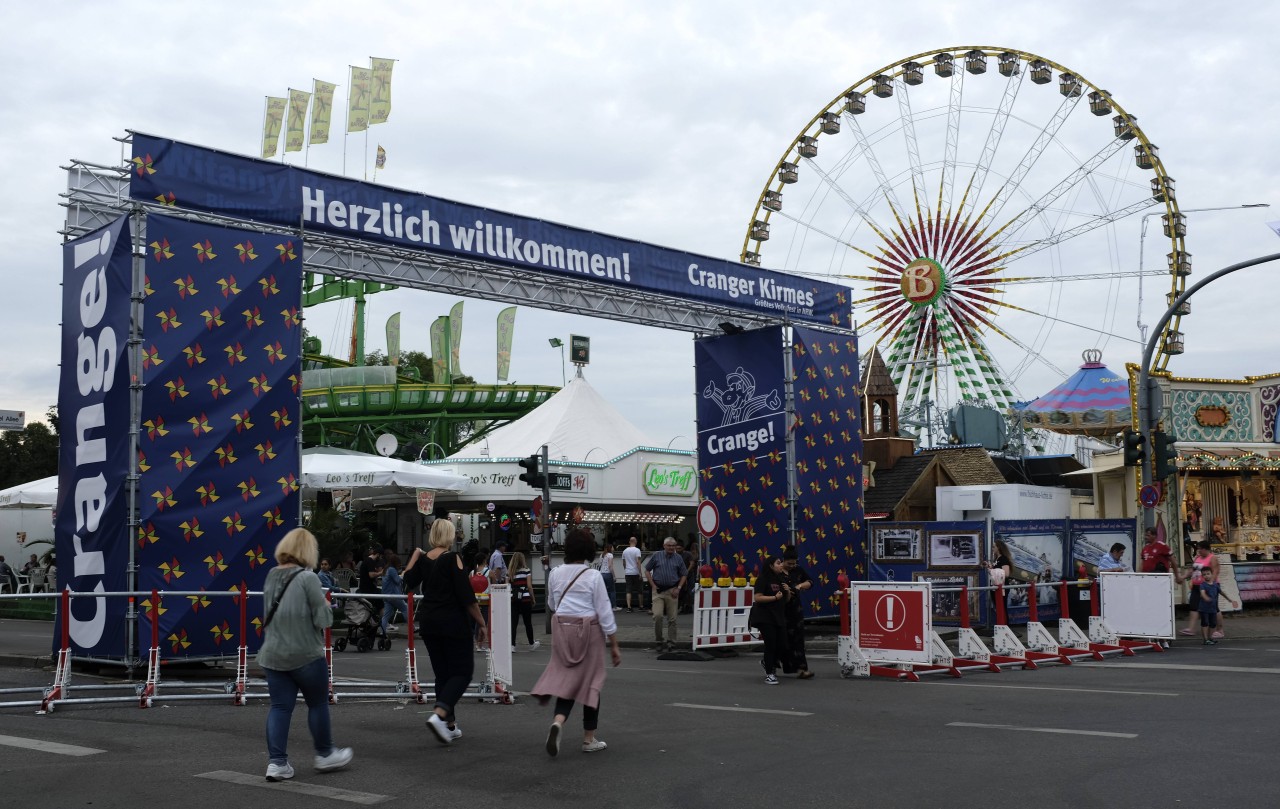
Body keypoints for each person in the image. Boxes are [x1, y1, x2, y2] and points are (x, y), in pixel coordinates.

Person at [257, 528, 353, 782]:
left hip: (274, 654)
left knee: (279, 707)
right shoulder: (308, 579)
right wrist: (325, 605)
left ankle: (277, 763)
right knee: (318, 703)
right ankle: (324, 754)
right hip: (305, 653)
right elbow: (323, 619)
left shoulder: (271, 575)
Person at [532, 528, 621, 756]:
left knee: (567, 680)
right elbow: (604, 612)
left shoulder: (555, 573)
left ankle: (558, 721)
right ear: (589, 551)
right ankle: (588, 738)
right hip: (588, 631)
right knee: (592, 683)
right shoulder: (593, 576)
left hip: (562, 629)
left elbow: (552, 604)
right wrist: (614, 644)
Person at [403, 519, 488, 746]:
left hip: (429, 622)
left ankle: (449, 725)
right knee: (462, 672)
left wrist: (415, 556)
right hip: (452, 621)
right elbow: (466, 596)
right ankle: (439, 714)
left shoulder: (423, 560)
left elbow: (407, 581)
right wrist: (482, 623)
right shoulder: (453, 558)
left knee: (443, 674)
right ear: (449, 536)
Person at [749, 556, 790, 685]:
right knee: (770, 644)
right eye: (778, 563)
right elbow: (758, 598)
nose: (781, 565)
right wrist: (774, 598)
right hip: (765, 617)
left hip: (779, 616)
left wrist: (787, 592)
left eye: (781, 562)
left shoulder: (781, 579)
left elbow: (785, 600)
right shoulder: (763, 579)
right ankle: (770, 674)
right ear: (771, 566)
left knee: (783, 644)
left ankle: (767, 662)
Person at [644, 537, 688, 651]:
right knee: (657, 616)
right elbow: (647, 570)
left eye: (673, 546)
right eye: (669, 545)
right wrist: (652, 585)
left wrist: (678, 588)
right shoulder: (656, 556)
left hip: (672, 591)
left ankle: (671, 642)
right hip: (658, 591)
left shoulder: (678, 558)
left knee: (672, 619)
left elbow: (684, 574)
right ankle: (659, 641)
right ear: (664, 546)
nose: (671, 548)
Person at [781, 546, 814, 679]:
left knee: (798, 639)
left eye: (794, 563)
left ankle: (802, 669)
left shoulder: (798, 570)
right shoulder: (777, 572)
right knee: (783, 640)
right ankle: (772, 664)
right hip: (781, 610)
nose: (792, 566)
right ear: (784, 561)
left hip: (796, 610)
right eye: (789, 563)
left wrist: (800, 586)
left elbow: (810, 582)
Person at [1181, 542, 1223, 638]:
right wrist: (1183, 577)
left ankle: (1220, 630)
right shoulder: (1198, 558)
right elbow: (1192, 570)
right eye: (1198, 549)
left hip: (1209, 586)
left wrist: (1210, 584)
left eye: (1200, 549)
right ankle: (1191, 629)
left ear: (1206, 549)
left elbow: (1216, 571)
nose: (1198, 550)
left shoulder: (1212, 558)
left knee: (1214, 608)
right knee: (1194, 606)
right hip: (1197, 585)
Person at [1197, 568, 1237, 645]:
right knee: (1205, 623)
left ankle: (1210, 638)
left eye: (1208, 574)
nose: (1206, 576)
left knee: (1213, 624)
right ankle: (1205, 639)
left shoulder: (1215, 585)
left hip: (1213, 608)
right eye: (1204, 575)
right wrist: (1206, 598)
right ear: (1202, 576)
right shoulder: (1202, 585)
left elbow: (1221, 592)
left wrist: (1228, 599)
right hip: (1204, 608)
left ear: (1212, 574)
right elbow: (1202, 593)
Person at [509, 552, 539, 650]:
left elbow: (507, 587)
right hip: (525, 599)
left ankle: (512, 645)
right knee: (527, 622)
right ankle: (531, 643)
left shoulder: (509, 572)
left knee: (513, 623)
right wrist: (533, 598)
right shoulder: (526, 571)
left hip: (513, 599)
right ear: (522, 560)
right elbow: (529, 586)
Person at [982, 540, 1014, 622]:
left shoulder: (1003, 559)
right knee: (998, 608)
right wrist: (989, 567)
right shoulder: (997, 559)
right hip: (995, 587)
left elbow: (1006, 573)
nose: (992, 549)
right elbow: (996, 570)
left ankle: (1005, 627)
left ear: (999, 548)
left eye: (993, 547)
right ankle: (1001, 626)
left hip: (1002, 588)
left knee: (1002, 608)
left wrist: (991, 571)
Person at [380, 552, 409, 633]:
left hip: (386, 595)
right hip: (394, 595)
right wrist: (403, 574)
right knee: (405, 609)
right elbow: (397, 580)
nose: (399, 565)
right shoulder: (392, 570)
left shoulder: (385, 569)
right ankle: (412, 628)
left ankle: (383, 631)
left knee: (386, 615)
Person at [469, 559, 491, 649]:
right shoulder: (489, 572)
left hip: (474, 600)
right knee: (483, 622)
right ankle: (479, 644)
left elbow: (468, 585)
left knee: (476, 622)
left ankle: (477, 642)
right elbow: (494, 584)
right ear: (484, 561)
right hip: (485, 600)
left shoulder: (472, 573)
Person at [621, 536, 645, 612]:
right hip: (636, 572)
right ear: (636, 541)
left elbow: (624, 563)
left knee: (628, 590)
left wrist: (626, 569)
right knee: (639, 590)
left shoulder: (625, 551)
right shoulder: (637, 550)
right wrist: (640, 573)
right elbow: (638, 562)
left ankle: (629, 607)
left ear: (629, 542)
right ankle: (640, 606)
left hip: (628, 572)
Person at [598, 542, 618, 611]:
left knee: (604, 591)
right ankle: (613, 606)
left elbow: (599, 565)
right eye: (612, 547)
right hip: (608, 574)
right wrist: (614, 576)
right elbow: (610, 566)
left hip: (602, 574)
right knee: (612, 590)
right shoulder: (610, 555)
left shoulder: (602, 555)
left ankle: (604, 606)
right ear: (610, 548)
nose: (613, 548)